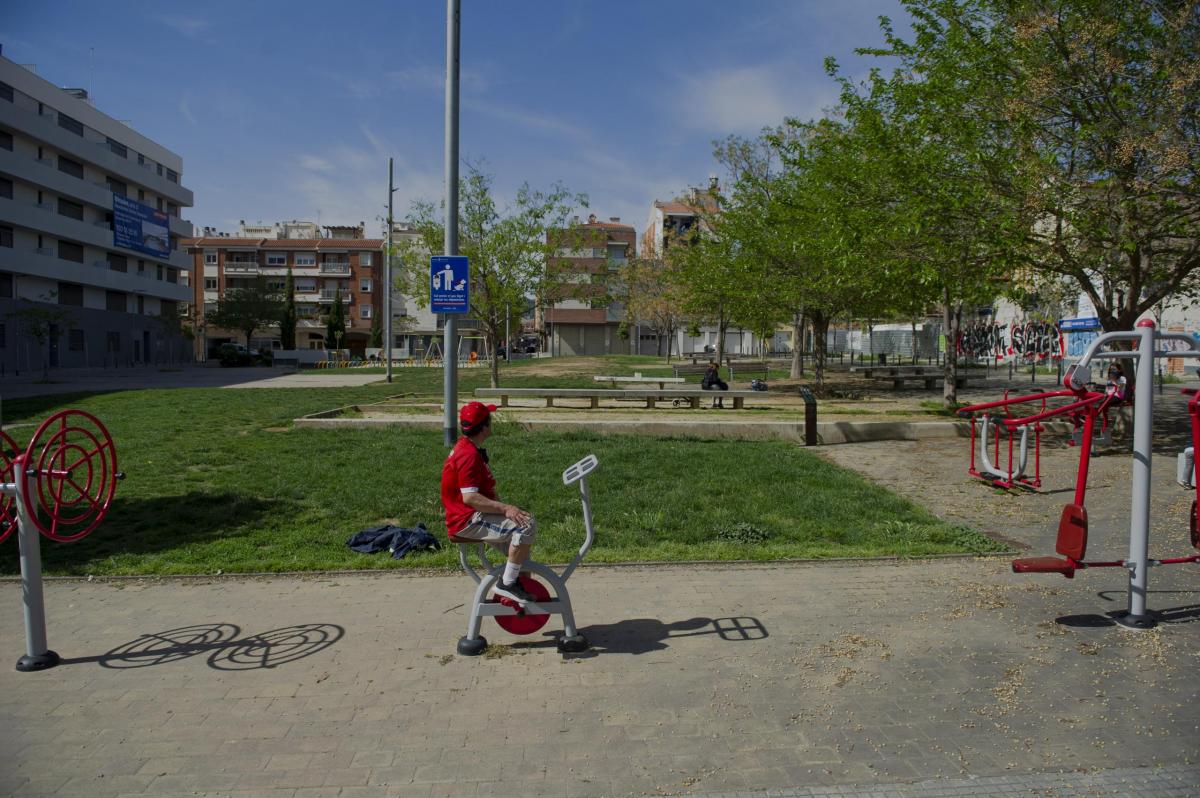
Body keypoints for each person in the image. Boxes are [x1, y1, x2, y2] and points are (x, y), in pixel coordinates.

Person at [441, 401, 538, 604]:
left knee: (523, 555)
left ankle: (518, 592)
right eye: (490, 421)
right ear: (485, 427)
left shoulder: (468, 448)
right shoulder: (467, 455)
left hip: (469, 515)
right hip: (465, 520)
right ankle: (507, 584)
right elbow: (470, 498)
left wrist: (504, 511)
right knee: (526, 526)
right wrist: (505, 509)